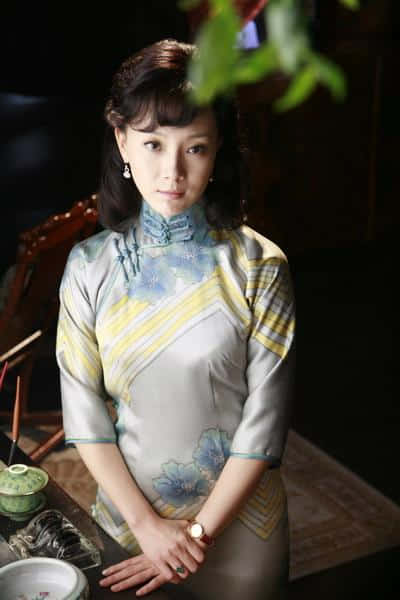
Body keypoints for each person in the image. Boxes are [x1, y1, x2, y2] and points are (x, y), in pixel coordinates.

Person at [56, 39, 295, 599]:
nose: (172, 171)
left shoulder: (260, 266)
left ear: (217, 152)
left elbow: (264, 424)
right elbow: (83, 411)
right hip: (128, 525)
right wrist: (147, 527)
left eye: (196, 148)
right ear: (122, 140)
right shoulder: (89, 267)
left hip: (241, 534)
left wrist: (194, 535)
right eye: (153, 143)